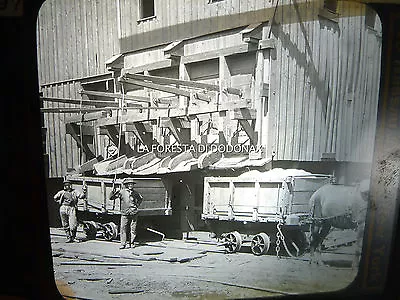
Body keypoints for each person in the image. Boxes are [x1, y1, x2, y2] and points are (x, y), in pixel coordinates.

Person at [110, 178, 143, 249]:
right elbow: (111, 198)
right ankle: (123, 244)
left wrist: (137, 206)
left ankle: (132, 243)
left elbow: (140, 199)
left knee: (133, 229)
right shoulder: (122, 192)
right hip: (125, 213)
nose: (131, 185)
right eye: (129, 184)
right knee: (123, 228)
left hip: (133, 213)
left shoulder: (135, 193)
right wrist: (112, 191)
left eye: (132, 184)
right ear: (127, 185)